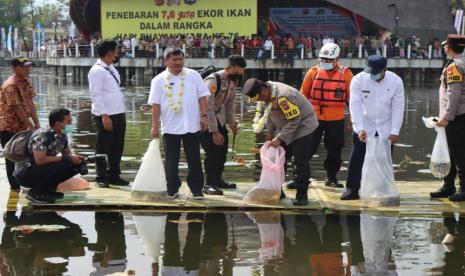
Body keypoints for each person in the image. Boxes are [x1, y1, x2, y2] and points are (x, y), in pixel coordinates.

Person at [243, 78, 319, 206]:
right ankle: (278, 191)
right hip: (286, 127)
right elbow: (270, 114)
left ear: (264, 89)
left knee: (300, 161)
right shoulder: (266, 96)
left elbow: (295, 120)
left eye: (260, 97)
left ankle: (302, 195)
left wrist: (279, 138)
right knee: (278, 160)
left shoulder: (284, 96)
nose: (260, 100)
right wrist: (270, 133)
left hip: (303, 127)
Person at [149, 47, 210, 200]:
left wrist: (204, 116)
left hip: (192, 124)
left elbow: (202, 97)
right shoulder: (158, 80)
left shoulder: (194, 75)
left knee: (194, 158)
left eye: (180, 59)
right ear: (166, 61)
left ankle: (196, 189)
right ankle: (172, 189)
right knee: (171, 159)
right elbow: (155, 105)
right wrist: (155, 126)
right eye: (174, 60)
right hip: (170, 126)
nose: (178, 63)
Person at [341, 55, 405, 200]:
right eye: (370, 71)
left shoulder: (395, 81)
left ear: (385, 70)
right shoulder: (358, 79)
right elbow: (354, 105)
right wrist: (359, 127)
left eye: (376, 72)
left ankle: (381, 190)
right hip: (365, 122)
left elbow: (398, 107)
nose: (372, 75)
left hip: (386, 123)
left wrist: (395, 131)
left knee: (384, 158)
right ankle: (352, 189)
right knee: (358, 155)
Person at [300, 43, 353, 189]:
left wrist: (353, 118)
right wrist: (300, 117)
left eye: (329, 60)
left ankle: (331, 177)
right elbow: (302, 96)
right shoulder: (313, 72)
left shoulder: (346, 74)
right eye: (323, 59)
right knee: (307, 147)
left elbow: (352, 100)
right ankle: (300, 177)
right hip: (313, 117)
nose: (326, 62)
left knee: (335, 149)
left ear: (337, 59)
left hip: (336, 118)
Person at [14, 108, 84, 204]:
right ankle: (35, 193)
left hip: (41, 170)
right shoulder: (42, 135)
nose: (71, 124)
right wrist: (64, 158)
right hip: (26, 173)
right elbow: (39, 160)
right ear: (58, 123)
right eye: (69, 121)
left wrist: (78, 159)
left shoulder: (62, 135)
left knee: (75, 165)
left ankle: (47, 190)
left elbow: (67, 154)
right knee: (61, 164)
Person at [200, 55, 246, 195]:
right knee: (212, 151)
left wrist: (232, 123)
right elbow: (208, 106)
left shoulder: (233, 81)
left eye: (241, 73)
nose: (238, 76)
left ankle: (217, 179)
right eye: (236, 73)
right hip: (205, 120)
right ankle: (208, 184)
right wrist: (214, 131)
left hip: (219, 118)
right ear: (228, 68)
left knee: (222, 150)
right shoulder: (213, 80)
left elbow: (230, 104)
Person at [88, 39, 129, 187]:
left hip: (118, 113)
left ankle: (114, 175)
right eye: (115, 51)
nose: (116, 54)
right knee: (103, 146)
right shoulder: (97, 70)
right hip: (105, 115)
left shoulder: (111, 68)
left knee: (117, 146)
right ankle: (101, 177)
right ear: (110, 53)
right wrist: (104, 115)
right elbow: (96, 94)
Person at [0, 57, 40, 191]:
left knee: (27, 155)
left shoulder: (26, 81)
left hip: (23, 126)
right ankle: (14, 186)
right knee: (11, 157)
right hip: (9, 127)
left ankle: (26, 181)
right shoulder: (10, 85)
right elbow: (18, 110)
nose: (27, 69)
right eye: (24, 66)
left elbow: (30, 104)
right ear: (15, 68)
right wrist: (32, 127)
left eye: (29, 66)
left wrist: (37, 125)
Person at [435, 34, 465, 201]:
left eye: (446, 45)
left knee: (459, 153)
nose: (444, 48)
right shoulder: (458, 63)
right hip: (459, 115)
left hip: (457, 116)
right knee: (451, 153)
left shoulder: (455, 66)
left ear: (449, 47)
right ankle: (448, 185)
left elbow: (453, 95)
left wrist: (446, 117)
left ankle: (461, 188)